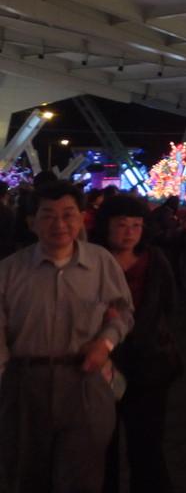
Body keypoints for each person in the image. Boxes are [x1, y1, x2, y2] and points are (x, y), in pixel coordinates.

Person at [0, 180, 135, 493]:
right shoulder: (8, 271)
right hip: (24, 383)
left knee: (82, 476)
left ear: (81, 217)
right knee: (24, 475)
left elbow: (123, 311)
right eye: (48, 215)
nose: (59, 224)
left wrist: (105, 343)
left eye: (68, 214)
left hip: (84, 380)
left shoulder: (101, 263)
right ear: (31, 222)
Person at [94, 195, 180, 493]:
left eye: (136, 225)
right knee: (102, 445)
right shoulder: (93, 261)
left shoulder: (155, 261)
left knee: (147, 445)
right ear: (106, 226)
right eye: (121, 225)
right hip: (102, 365)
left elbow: (168, 305)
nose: (129, 232)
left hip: (149, 365)